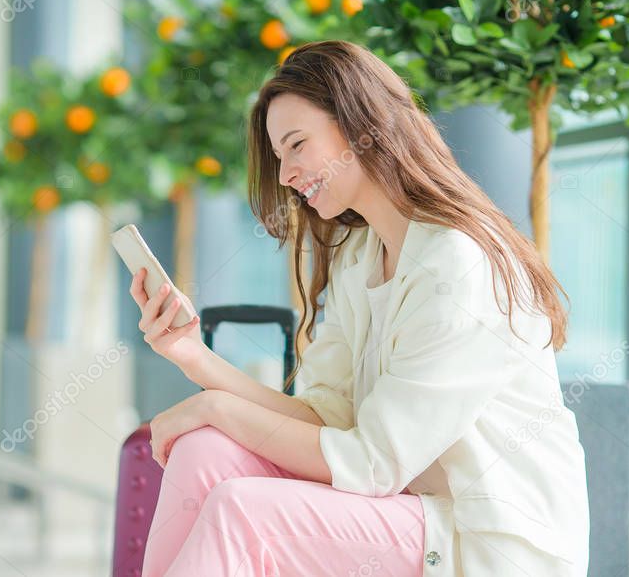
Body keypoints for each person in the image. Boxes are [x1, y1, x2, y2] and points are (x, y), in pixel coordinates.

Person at [130, 40, 590, 576]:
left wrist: (216, 406)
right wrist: (194, 359)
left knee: (244, 511)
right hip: (415, 511)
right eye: (280, 157)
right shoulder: (362, 257)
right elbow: (326, 418)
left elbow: (373, 463)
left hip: (489, 541)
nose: (285, 176)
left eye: (297, 145)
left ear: (359, 123)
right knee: (204, 452)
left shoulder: (457, 265)